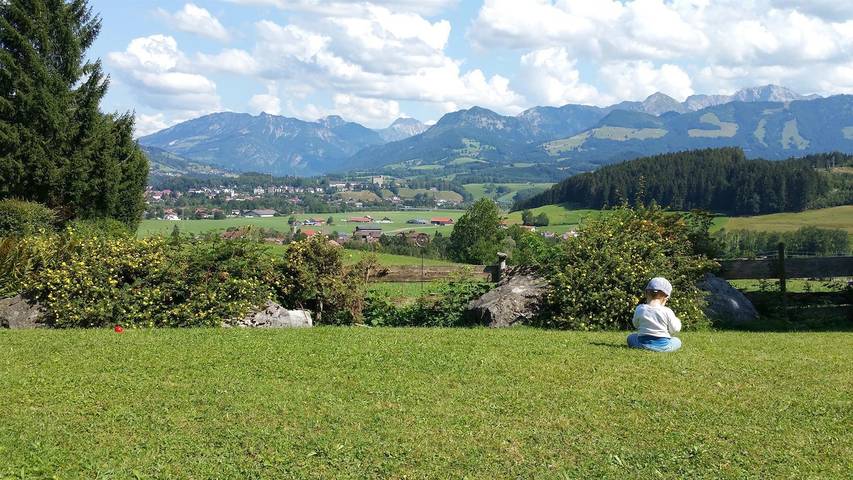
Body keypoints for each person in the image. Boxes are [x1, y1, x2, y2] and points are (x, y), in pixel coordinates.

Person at [627, 277, 682, 352]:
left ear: (646, 293)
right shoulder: (667, 311)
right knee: (677, 340)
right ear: (666, 297)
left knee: (631, 337)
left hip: (643, 344)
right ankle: (661, 348)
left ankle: (645, 346)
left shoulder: (640, 309)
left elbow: (636, 325)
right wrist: (677, 321)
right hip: (663, 346)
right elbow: (675, 329)